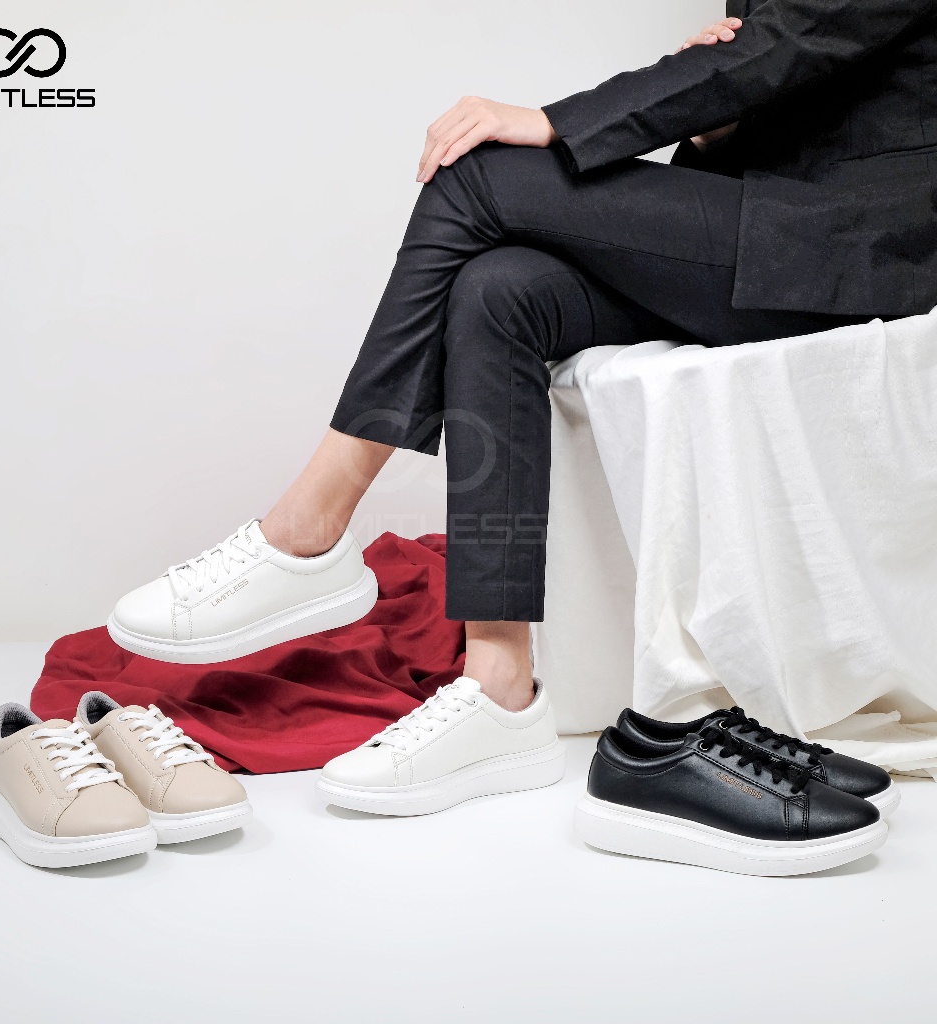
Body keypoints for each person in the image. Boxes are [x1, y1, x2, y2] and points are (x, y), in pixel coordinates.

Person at [107, 0, 937, 814]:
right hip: (769, 234)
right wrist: (719, 130)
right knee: (497, 290)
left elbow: (796, 40)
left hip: (857, 246)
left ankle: (307, 530)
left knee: (478, 174)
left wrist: (553, 121)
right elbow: (803, 81)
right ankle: (499, 685)